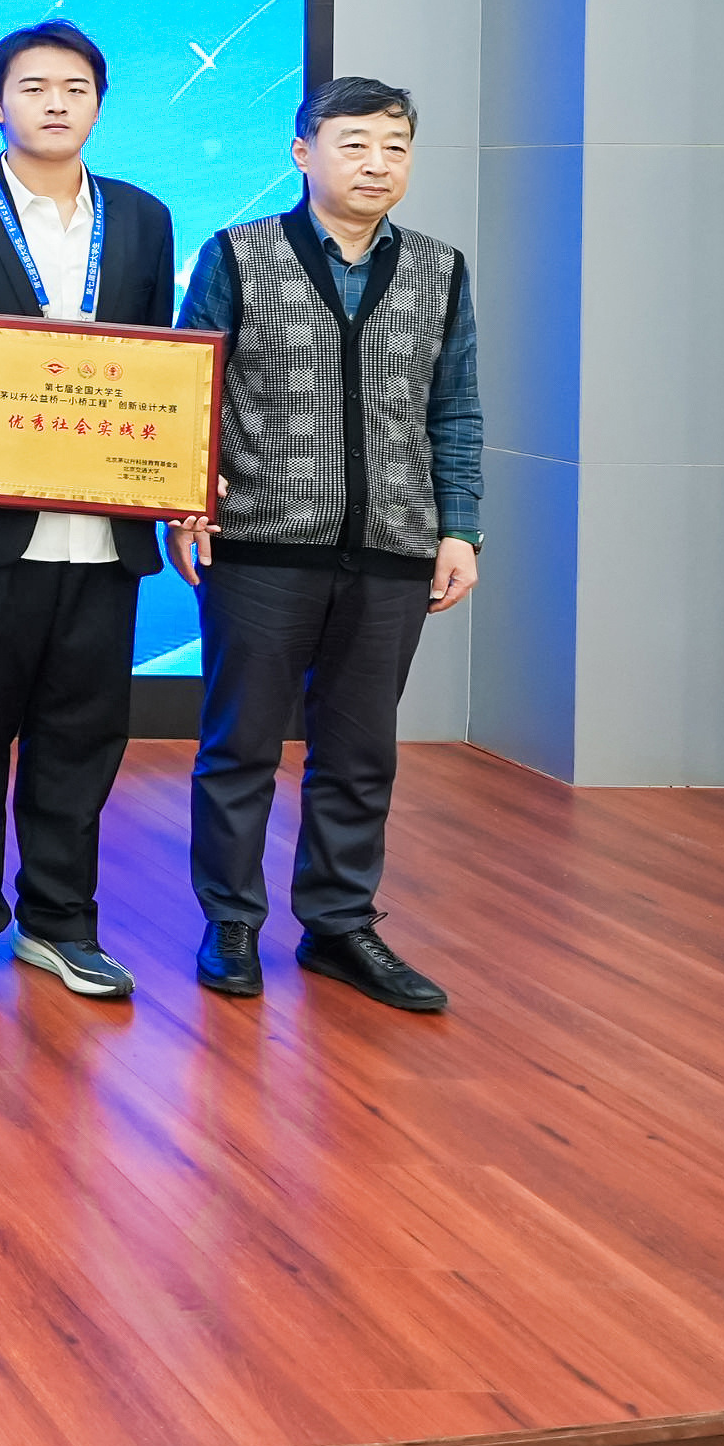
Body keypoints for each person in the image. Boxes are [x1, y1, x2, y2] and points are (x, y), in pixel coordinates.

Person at [0, 20, 185, 1003]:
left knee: (83, 731)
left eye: (74, 88)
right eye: (33, 86)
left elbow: (157, 360)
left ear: (99, 104)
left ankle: (61, 923)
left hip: (104, 521)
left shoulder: (142, 217)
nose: (55, 103)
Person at [170, 76, 480, 1014]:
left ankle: (341, 925)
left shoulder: (439, 268)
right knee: (240, 749)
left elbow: (455, 408)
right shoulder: (239, 253)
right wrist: (185, 501)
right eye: (354, 143)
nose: (376, 163)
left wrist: (459, 528)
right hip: (261, 545)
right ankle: (231, 921)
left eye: (395, 146)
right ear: (303, 153)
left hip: (393, 546)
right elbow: (191, 387)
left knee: (360, 753)